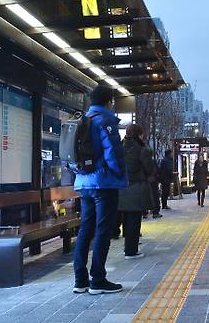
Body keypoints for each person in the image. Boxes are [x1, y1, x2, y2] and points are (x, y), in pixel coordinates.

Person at [73, 85, 126, 295]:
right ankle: (98, 280)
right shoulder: (105, 120)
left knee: (85, 229)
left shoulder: (84, 120)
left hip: (84, 183)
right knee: (103, 230)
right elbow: (113, 153)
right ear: (108, 102)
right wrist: (120, 173)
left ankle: (80, 280)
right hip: (103, 183)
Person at [119, 123, 154, 259]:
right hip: (136, 188)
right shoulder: (142, 149)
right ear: (139, 135)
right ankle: (131, 251)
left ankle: (128, 247)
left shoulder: (121, 147)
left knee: (127, 219)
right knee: (134, 220)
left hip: (121, 188)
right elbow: (149, 168)